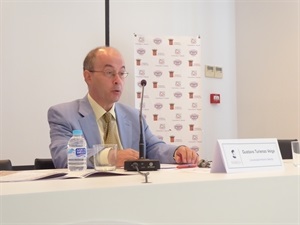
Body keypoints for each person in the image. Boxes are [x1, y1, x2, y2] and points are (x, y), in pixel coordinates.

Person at [48, 46, 200, 168]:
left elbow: (152, 148)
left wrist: (176, 152)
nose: (118, 80)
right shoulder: (64, 115)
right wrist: (110, 156)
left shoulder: (134, 115)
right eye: (109, 73)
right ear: (88, 76)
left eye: (121, 73)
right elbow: (63, 157)